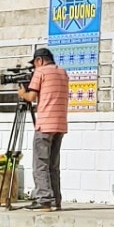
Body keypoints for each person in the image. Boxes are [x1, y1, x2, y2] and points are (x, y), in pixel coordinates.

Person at [17, 47, 70, 212]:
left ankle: (44, 200)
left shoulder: (40, 73)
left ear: (39, 61)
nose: (34, 68)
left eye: (34, 64)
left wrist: (22, 93)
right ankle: (56, 199)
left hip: (45, 124)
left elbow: (31, 97)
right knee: (53, 165)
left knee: (40, 163)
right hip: (60, 124)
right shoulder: (63, 73)